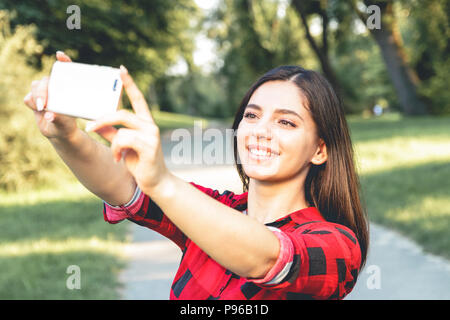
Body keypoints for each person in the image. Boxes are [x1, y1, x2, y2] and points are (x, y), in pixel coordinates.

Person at [24, 51, 369, 300]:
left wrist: (162, 182)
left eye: (285, 122)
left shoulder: (337, 245)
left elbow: (268, 258)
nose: (260, 130)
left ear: (319, 150)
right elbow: (125, 188)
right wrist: (65, 135)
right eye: (252, 116)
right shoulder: (213, 211)